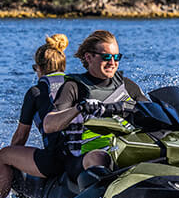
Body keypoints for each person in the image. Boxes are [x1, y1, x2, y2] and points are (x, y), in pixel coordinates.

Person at [41, 29, 149, 178]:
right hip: (84, 157)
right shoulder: (74, 87)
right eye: (106, 57)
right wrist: (79, 108)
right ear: (89, 57)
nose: (112, 62)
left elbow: (150, 111)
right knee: (100, 157)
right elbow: (48, 125)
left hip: (123, 150)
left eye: (116, 57)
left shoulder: (127, 86)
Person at [0, 34, 70, 198]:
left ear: (39, 69)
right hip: (77, 157)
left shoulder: (36, 92)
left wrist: (9, 166)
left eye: (35, 68)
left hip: (54, 162)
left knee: (5, 155)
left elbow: (20, 137)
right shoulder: (76, 86)